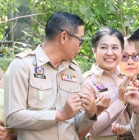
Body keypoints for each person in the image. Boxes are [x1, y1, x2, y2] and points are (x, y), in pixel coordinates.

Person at [4, 12, 96, 140]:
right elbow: (13, 118)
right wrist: (59, 115)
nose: (80, 47)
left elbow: (74, 125)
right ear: (64, 37)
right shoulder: (23, 66)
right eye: (80, 40)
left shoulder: (74, 71)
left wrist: (90, 114)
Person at [81, 28, 134, 140]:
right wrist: (120, 102)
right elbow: (89, 129)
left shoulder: (126, 79)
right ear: (94, 51)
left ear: (121, 51)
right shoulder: (86, 82)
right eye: (104, 48)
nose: (110, 53)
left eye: (115, 48)